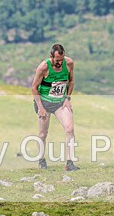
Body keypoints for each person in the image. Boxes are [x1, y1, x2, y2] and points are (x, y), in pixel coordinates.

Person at [31, 43, 79, 171]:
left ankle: (69, 163)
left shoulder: (69, 63)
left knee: (70, 128)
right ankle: (41, 160)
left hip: (60, 103)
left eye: (61, 60)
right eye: (57, 60)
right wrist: (40, 107)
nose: (59, 63)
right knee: (43, 133)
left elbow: (71, 81)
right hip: (44, 103)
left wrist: (68, 98)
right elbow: (34, 88)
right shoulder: (43, 67)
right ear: (51, 56)